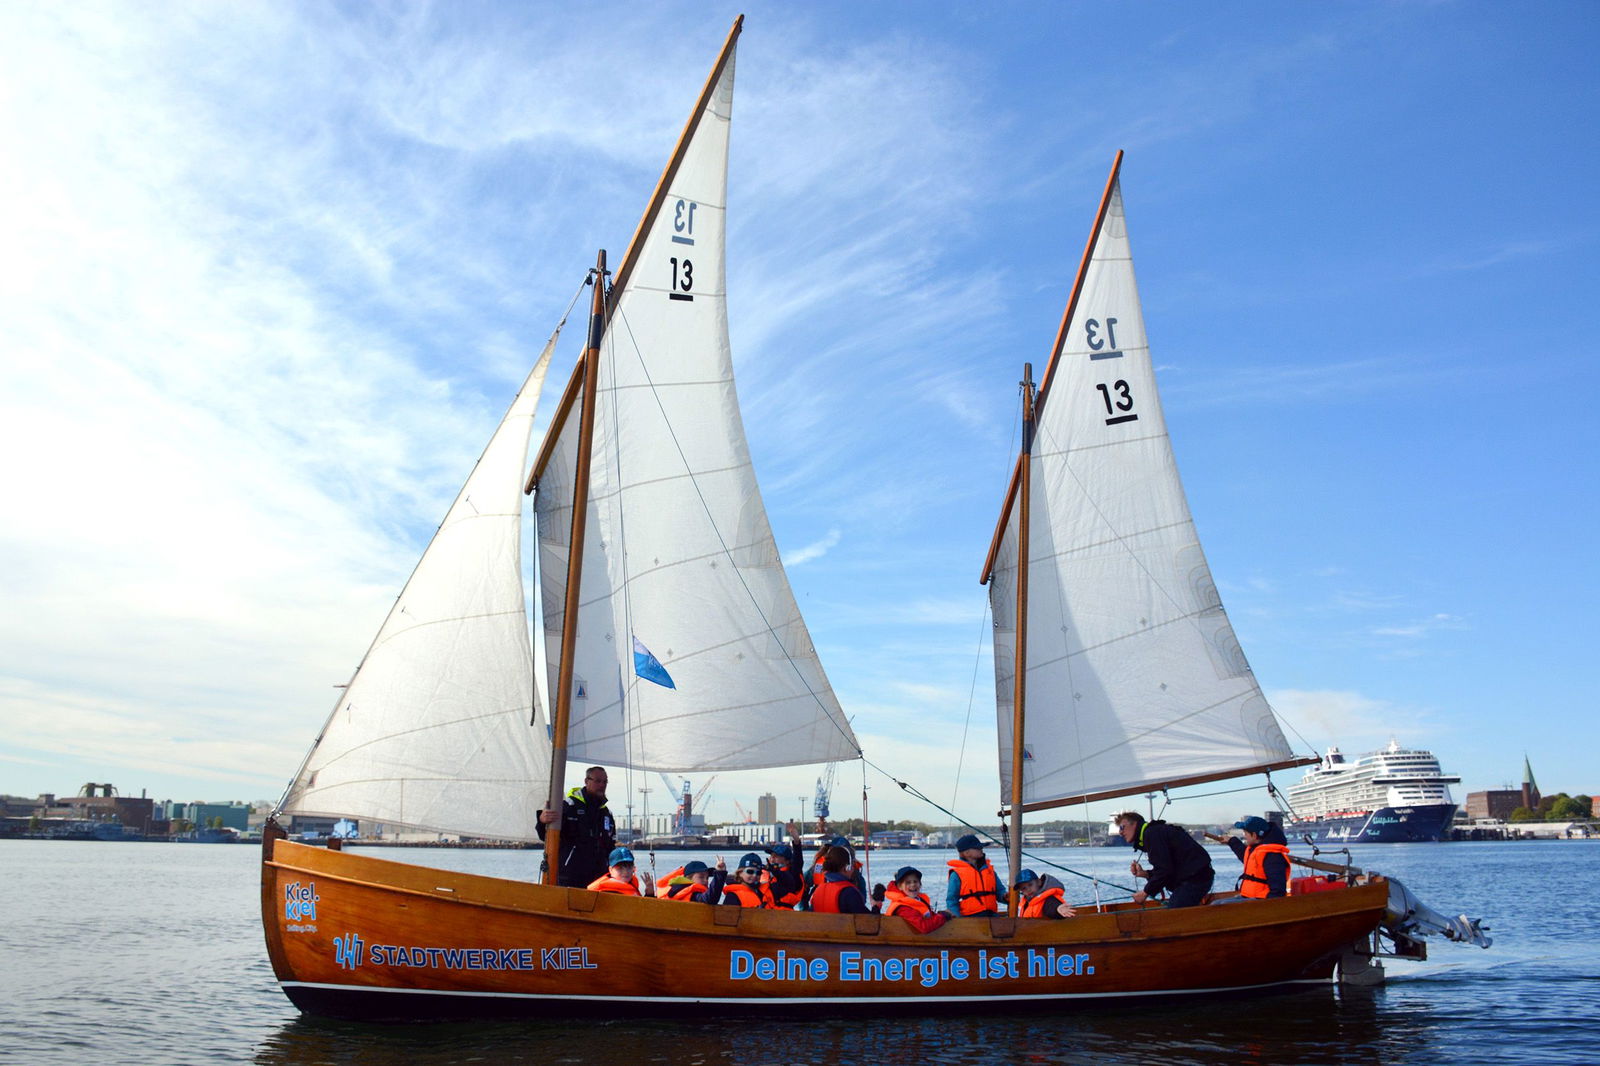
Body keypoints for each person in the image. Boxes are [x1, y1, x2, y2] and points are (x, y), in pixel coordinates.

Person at [536, 766, 616, 888]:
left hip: (599, 880)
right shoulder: (568, 806)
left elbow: (611, 847)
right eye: (598, 781)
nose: (602, 785)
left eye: (605, 782)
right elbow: (546, 837)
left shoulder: (606, 814)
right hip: (569, 878)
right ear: (586, 781)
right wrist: (542, 821)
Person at [1116, 811, 1214, 908]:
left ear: (1134, 824)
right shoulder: (1154, 832)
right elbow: (1168, 868)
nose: (1120, 832)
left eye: (1122, 827)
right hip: (1198, 878)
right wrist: (1145, 874)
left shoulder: (1152, 834)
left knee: (1173, 916)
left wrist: (1145, 893)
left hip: (1196, 879)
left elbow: (1165, 870)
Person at [1214, 815, 1290, 899]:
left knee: (1220, 905)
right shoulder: (1256, 850)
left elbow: (1278, 891)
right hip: (1249, 896)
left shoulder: (1272, 857)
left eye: (1245, 833)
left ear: (1254, 835)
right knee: (1217, 903)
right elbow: (1244, 854)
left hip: (1260, 901)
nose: (1244, 836)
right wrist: (1231, 841)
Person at [943, 833, 1007, 917]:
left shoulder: (989, 871)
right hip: (970, 919)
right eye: (977, 848)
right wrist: (957, 920)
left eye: (981, 847)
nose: (981, 849)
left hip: (992, 916)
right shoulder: (956, 874)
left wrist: (1005, 896)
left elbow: (999, 891)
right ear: (966, 853)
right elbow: (952, 900)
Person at [803, 835, 865, 908]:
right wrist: (804, 908)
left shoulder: (855, 873)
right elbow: (802, 885)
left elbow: (862, 899)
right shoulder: (817, 868)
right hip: (819, 910)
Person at [880, 866, 948, 933]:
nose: (913, 885)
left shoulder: (919, 900)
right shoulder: (903, 908)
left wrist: (941, 914)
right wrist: (943, 916)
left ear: (920, 884)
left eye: (915, 881)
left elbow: (928, 916)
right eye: (908, 882)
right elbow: (924, 927)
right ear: (900, 887)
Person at [808, 845, 870, 913]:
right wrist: (876, 906)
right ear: (847, 868)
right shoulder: (850, 893)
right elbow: (867, 919)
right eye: (852, 866)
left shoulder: (818, 891)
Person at [762, 823, 807, 908]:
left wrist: (796, 842)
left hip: (783, 910)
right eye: (772, 855)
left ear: (787, 861)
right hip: (768, 909)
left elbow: (797, 861)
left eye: (776, 856)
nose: (772, 858)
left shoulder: (792, 873)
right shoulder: (767, 871)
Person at [587, 847, 655, 896]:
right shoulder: (605, 892)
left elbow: (643, 911)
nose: (625, 871)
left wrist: (649, 893)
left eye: (629, 867)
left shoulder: (632, 884)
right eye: (620, 868)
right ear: (610, 870)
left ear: (633, 868)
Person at [1012, 869, 1077, 919]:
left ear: (1039, 882)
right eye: (1024, 888)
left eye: (1030, 885)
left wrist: (1058, 909)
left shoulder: (1048, 899)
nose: (1028, 889)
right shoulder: (1026, 902)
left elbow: (1052, 907)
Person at [660, 859, 726, 903]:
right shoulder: (694, 895)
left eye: (707, 878)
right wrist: (719, 874)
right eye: (701, 877)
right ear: (688, 878)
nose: (706, 880)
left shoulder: (674, 890)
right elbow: (710, 899)